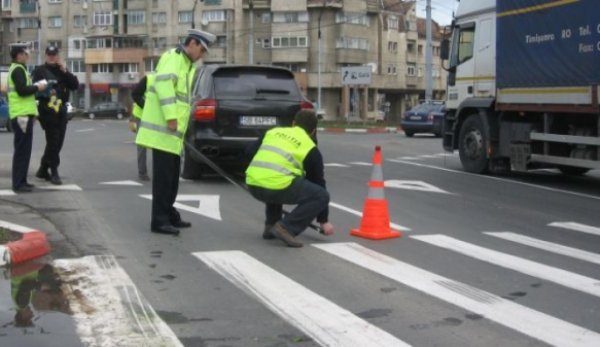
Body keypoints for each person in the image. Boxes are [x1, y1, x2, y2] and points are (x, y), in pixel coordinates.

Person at [136, 29, 215, 235]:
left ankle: (169, 214)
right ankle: (159, 221)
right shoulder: (173, 58)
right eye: (202, 50)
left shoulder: (186, 64)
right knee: (163, 180)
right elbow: (165, 88)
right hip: (163, 132)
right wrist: (171, 117)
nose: (202, 55)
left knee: (171, 179)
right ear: (193, 44)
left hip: (173, 136)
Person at [245, 110, 334, 248]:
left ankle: (271, 225)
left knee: (279, 178)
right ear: (313, 131)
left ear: (293, 123)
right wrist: (323, 220)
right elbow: (319, 184)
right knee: (321, 196)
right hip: (276, 187)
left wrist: (259, 173)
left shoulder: (273, 132)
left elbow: (249, 152)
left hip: (253, 183)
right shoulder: (310, 148)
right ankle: (286, 227)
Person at [32, 46, 79, 185]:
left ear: (58, 56)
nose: (52, 57)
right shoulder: (40, 70)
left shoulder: (62, 71)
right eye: (49, 55)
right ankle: (54, 171)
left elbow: (75, 85)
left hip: (61, 110)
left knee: (58, 142)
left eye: (54, 54)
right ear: (46, 55)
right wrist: (47, 91)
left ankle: (43, 168)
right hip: (47, 110)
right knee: (53, 140)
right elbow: (36, 90)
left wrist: (65, 70)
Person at [8, 45, 47, 193]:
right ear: (19, 55)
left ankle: (22, 181)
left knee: (25, 150)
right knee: (22, 151)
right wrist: (38, 87)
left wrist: (34, 113)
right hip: (21, 115)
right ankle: (18, 183)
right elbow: (22, 91)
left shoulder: (20, 69)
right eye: (26, 53)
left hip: (24, 114)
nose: (28, 55)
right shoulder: (18, 70)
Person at [128, 75, 149, 181]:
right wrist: (146, 107)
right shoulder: (149, 79)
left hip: (157, 117)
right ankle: (142, 173)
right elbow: (135, 94)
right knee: (142, 145)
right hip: (142, 115)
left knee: (159, 145)